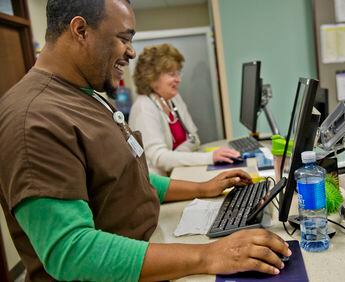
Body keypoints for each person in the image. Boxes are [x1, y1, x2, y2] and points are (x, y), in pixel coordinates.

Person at [0, 1, 290, 281]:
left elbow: (129, 179)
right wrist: (207, 255)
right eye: (123, 38)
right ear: (80, 30)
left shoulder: (88, 97)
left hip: (149, 247)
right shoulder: (33, 118)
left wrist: (203, 187)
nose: (132, 52)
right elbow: (72, 251)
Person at [129, 43, 240, 175]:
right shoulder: (144, 107)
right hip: (157, 185)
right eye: (172, 74)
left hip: (178, 172)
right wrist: (209, 157)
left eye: (178, 73)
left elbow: (194, 138)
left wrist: (175, 156)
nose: (179, 79)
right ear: (152, 77)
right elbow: (160, 158)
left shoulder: (174, 99)